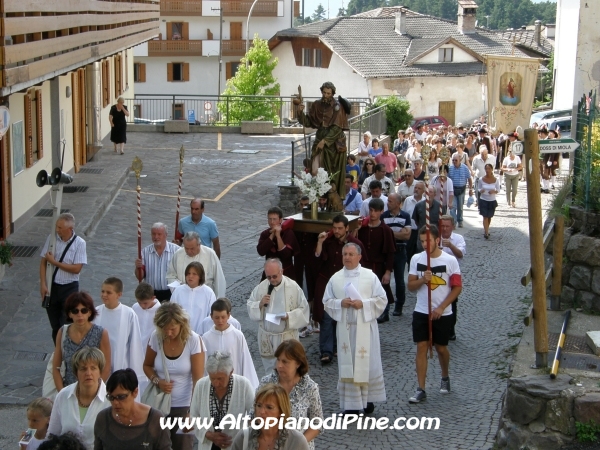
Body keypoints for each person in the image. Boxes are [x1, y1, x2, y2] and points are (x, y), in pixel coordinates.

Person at [323, 243, 387, 414]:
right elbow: (327, 302)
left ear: (359, 257)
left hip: (365, 328)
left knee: (367, 364)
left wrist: (363, 304)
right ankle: (350, 405)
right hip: (345, 329)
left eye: (351, 254)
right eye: (345, 254)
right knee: (348, 364)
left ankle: (367, 400)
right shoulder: (335, 278)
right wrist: (340, 303)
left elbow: (382, 300)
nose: (347, 257)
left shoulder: (370, 276)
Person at [407, 225, 461, 404]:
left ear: (437, 240)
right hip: (421, 310)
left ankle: (445, 375)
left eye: (427, 240)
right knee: (421, 347)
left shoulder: (450, 261)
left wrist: (442, 307)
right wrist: (423, 279)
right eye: (422, 241)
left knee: (441, 348)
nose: (424, 244)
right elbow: (411, 286)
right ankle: (420, 388)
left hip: (443, 313)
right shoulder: (416, 259)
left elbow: (457, 287)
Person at [143, 302, 205, 450]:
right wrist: (157, 381)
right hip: (158, 405)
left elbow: (198, 381)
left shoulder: (193, 340)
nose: (168, 333)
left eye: (172, 329)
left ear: (181, 324)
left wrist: (192, 412)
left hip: (183, 406)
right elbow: (147, 366)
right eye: (165, 329)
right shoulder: (156, 337)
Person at [314, 215, 366, 364]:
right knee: (327, 316)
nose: (336, 231)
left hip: (346, 284)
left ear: (347, 228)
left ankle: (339, 346)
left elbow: (362, 265)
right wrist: (319, 243)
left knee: (343, 317)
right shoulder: (327, 241)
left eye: (340, 228)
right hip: (327, 283)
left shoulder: (355, 244)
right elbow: (317, 260)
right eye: (334, 228)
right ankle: (326, 350)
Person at [258, 340, 323, 450]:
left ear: (298, 363)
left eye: (285, 362)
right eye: (278, 360)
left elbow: (317, 423)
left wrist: (297, 443)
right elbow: (252, 416)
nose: (279, 365)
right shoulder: (266, 383)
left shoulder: (310, 387)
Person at [247, 258, 309, 372]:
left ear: (281, 271)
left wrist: (289, 316)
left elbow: (304, 309)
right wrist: (260, 304)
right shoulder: (262, 287)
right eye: (269, 277)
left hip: (286, 338)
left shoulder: (293, 287)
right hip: (267, 338)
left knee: (288, 372)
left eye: (274, 276)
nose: (272, 280)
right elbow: (250, 304)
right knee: (270, 373)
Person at [189, 352, 255, 450]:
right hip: (208, 446)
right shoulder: (201, 385)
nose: (216, 383)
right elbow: (193, 417)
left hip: (235, 446)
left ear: (231, 372)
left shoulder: (244, 385)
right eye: (212, 378)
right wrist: (208, 434)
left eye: (220, 378)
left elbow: (253, 414)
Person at [47, 347, 110, 450]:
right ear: (76, 373)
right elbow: (52, 435)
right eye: (83, 369)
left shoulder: (110, 400)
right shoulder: (63, 396)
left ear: (100, 371)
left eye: (93, 368)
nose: (88, 373)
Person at [94, 369, 172, 450]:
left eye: (121, 397)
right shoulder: (103, 419)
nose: (115, 402)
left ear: (135, 392)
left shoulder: (155, 420)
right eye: (111, 397)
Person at [40, 213, 87, 344]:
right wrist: (43, 284)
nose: (57, 230)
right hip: (52, 287)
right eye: (57, 226)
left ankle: (67, 351)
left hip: (69, 287)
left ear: (70, 229)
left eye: (60, 227)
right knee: (55, 325)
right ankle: (58, 353)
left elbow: (76, 268)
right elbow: (43, 262)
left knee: (67, 324)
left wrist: (54, 262)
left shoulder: (80, 243)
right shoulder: (52, 239)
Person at [296, 82, 349, 198]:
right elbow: (309, 122)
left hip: (334, 143)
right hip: (320, 137)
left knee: (332, 174)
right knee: (314, 171)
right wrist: (300, 113)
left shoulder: (338, 107)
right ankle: (317, 197)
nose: (326, 95)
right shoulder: (316, 105)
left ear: (332, 93)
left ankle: (331, 199)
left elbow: (336, 128)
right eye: (324, 92)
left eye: (328, 93)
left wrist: (325, 141)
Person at [52, 292, 111, 390]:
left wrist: (96, 391)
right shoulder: (62, 332)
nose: (80, 315)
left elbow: (106, 368)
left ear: (90, 312)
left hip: (92, 390)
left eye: (84, 310)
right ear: (69, 314)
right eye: (75, 311)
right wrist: (62, 393)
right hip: (69, 390)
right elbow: (56, 368)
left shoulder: (101, 333)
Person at [93, 277, 145, 384]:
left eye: (108, 292)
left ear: (119, 295)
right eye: (102, 291)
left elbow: (135, 345)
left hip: (121, 366)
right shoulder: (96, 312)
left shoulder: (128, 314)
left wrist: (134, 374)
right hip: (99, 366)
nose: (104, 295)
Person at [231, 384, 309, 450]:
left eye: (269, 407)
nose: (261, 411)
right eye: (259, 405)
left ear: (281, 411)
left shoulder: (296, 441)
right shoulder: (244, 437)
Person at [202, 299, 259, 388]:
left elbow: (246, 361)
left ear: (228, 315)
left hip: (235, 383)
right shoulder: (206, 338)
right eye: (217, 317)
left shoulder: (238, 336)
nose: (220, 321)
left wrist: (251, 387)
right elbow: (204, 365)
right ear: (211, 316)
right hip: (214, 384)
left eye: (223, 317)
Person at [356, 198, 396, 323]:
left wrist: (388, 271)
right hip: (364, 264)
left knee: (382, 288)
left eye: (376, 211)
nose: (372, 214)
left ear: (381, 212)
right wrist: (356, 229)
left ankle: (384, 311)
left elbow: (390, 252)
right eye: (371, 210)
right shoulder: (362, 228)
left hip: (379, 265)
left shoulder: (386, 230)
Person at [167, 231, 226, 297]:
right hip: (184, 295)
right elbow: (171, 275)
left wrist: (219, 300)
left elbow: (219, 279)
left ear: (199, 244)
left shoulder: (210, 254)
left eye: (192, 248)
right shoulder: (178, 254)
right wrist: (178, 288)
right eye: (186, 248)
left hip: (205, 296)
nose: (189, 251)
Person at [382, 194, 412, 316]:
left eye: (390, 201)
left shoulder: (405, 216)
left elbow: (407, 236)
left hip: (400, 250)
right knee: (385, 279)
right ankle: (385, 307)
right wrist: (396, 233)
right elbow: (383, 235)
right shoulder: (384, 216)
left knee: (400, 280)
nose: (387, 203)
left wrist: (389, 233)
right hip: (387, 251)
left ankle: (399, 305)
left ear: (397, 203)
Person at [135, 223, 180, 301]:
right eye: (154, 234)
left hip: (170, 293)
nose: (156, 237)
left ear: (166, 235)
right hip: (151, 294)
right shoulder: (145, 252)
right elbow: (140, 277)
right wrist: (137, 267)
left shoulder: (176, 250)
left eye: (159, 234)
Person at [439, 215, 466, 340]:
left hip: (452, 275)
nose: (444, 229)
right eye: (442, 226)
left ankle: (451, 328)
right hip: (438, 274)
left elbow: (460, 254)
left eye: (447, 226)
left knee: (452, 302)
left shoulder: (458, 238)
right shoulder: (436, 238)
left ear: (453, 227)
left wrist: (450, 245)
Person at [171, 262, 217, 335]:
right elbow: (172, 312)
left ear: (200, 276)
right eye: (188, 273)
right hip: (181, 334)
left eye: (194, 274)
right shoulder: (178, 291)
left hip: (201, 334)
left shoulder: (208, 293)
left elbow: (211, 315)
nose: (190, 276)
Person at [257, 207, 300, 281]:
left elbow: (286, 254)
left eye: (274, 219)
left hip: (286, 273)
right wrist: (272, 235)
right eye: (270, 219)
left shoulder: (288, 233)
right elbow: (261, 251)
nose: (272, 222)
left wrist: (278, 236)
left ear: (280, 220)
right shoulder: (265, 234)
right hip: (269, 273)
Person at [403, 181, 426, 265]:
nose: (416, 190)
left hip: (421, 231)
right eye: (415, 188)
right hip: (411, 231)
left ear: (423, 191)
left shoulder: (425, 202)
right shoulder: (408, 200)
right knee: (409, 253)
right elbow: (404, 214)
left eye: (419, 188)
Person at [412, 185, 442, 250]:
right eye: (427, 192)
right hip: (422, 236)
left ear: (435, 194)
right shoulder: (418, 206)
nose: (428, 194)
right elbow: (416, 220)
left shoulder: (440, 206)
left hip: (434, 236)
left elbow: (442, 220)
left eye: (431, 192)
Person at [447, 154, 473, 228]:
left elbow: (469, 179)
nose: (454, 162)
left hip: (462, 189)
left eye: (456, 160)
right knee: (452, 207)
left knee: (460, 207)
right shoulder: (450, 168)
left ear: (460, 160)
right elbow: (448, 179)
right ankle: (453, 222)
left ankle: (460, 220)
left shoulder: (465, 168)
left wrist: (470, 189)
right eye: (453, 160)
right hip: (453, 190)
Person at [133, 282, 161, 348]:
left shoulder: (160, 311)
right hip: (137, 346)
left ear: (153, 298)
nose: (142, 306)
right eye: (139, 302)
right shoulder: (135, 307)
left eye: (145, 303)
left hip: (152, 347)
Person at [477, 163, 500, 239]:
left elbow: (498, 190)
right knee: (485, 217)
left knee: (489, 217)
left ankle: (487, 228)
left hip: (492, 200)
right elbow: (479, 188)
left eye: (489, 169)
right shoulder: (481, 179)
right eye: (486, 169)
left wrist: (494, 191)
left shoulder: (496, 180)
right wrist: (481, 190)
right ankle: (486, 232)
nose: (487, 170)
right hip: (483, 199)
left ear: (491, 170)